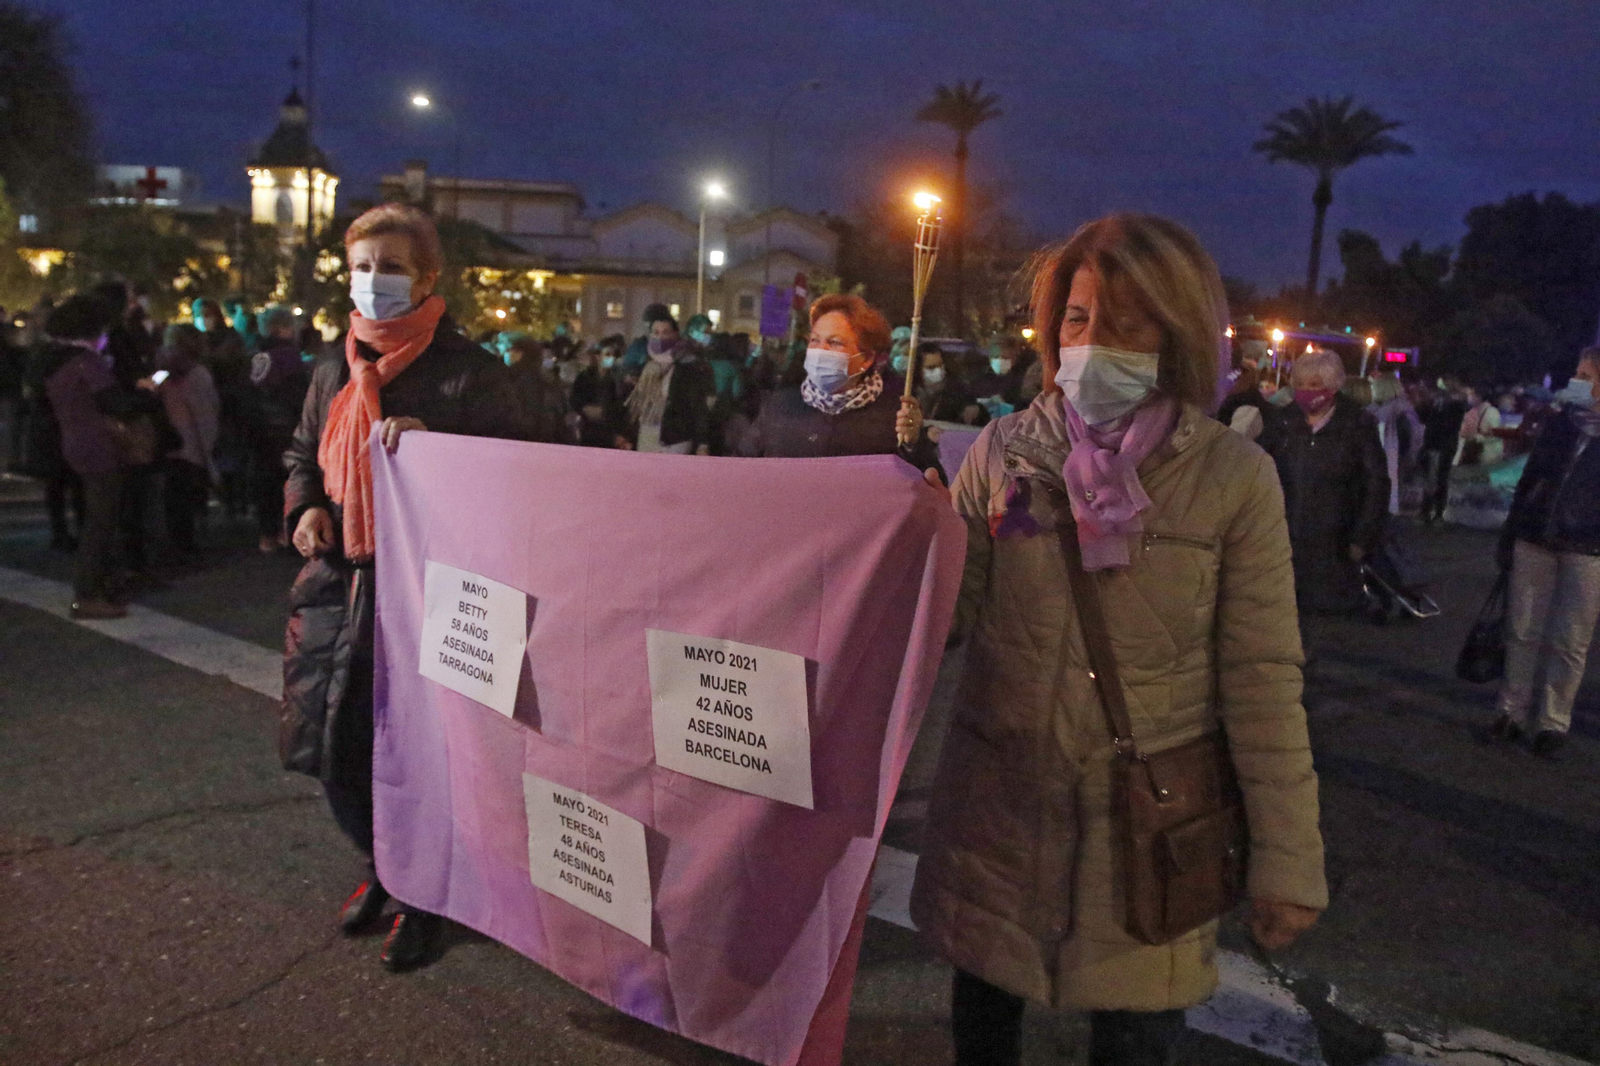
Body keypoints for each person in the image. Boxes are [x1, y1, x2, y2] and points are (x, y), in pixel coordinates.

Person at [910, 214, 1325, 1066]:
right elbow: (939, 622)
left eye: (1130, 321)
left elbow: (1262, 677)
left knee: (1135, 1042)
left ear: (1176, 332)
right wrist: (908, 536)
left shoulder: (1233, 478)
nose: (1095, 341)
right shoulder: (1004, 450)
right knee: (982, 1028)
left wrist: (1289, 861)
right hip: (999, 811)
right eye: (1078, 317)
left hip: (1146, 835)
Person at [280, 203, 535, 974]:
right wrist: (308, 506)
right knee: (336, 750)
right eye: (361, 265)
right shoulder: (334, 366)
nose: (373, 280)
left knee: (432, 756)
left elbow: (524, 475)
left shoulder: (474, 374)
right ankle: (384, 865)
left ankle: (429, 896)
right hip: (342, 588)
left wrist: (442, 451)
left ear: (427, 278)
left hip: (434, 596)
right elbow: (301, 452)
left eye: (390, 267)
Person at [1486, 350, 1600, 761]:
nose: (1576, 380)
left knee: (1570, 642)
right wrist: (1511, 531)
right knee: (1522, 630)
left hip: (1588, 547)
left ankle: (1553, 723)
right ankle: (1510, 713)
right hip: (1535, 537)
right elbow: (1530, 477)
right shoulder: (1560, 425)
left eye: (1585, 375)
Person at [739, 294, 939, 469]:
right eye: (815, 341)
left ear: (867, 358)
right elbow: (742, 467)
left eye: (835, 342)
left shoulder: (894, 415)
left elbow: (929, 486)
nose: (820, 351)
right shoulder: (780, 406)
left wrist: (914, 444)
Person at [1260, 349, 1388, 618]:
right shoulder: (1282, 421)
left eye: (1315, 385)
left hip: (1335, 540)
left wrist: (1362, 537)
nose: (1307, 391)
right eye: (1301, 385)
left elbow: (1375, 484)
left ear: (1333, 386)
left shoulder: (1357, 425)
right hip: (1286, 533)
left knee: (1321, 617)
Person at [42, 294, 139, 619]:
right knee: (101, 521)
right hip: (100, 446)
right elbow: (116, 404)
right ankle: (87, 594)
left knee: (95, 517)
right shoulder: (87, 362)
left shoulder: (55, 360)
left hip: (73, 442)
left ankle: (100, 585)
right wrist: (144, 392)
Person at [154, 325, 220, 557]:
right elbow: (205, 414)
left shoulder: (160, 371)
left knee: (173, 500)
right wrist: (209, 450)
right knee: (188, 500)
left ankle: (175, 544)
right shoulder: (197, 373)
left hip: (166, 441)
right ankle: (187, 547)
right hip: (190, 442)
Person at [251, 306, 311, 553]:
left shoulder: (256, 356)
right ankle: (288, 532)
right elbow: (299, 395)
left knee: (265, 482)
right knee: (290, 481)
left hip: (260, 428)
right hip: (287, 428)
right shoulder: (290, 357)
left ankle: (267, 534)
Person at [624, 313, 715, 454]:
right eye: (656, 332)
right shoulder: (643, 363)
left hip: (676, 440)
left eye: (665, 332)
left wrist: (702, 442)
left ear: (675, 334)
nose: (660, 337)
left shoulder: (688, 365)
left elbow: (698, 405)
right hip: (646, 437)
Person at [1368, 373, 1423, 515]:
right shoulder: (1378, 410)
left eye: (1374, 387)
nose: (1371, 390)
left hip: (1395, 461)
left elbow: (1410, 439)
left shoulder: (1400, 412)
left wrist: (1404, 458)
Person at [1416, 381, 1467, 523]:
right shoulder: (1436, 406)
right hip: (1434, 445)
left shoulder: (1455, 407)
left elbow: (1448, 426)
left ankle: (1437, 512)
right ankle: (1427, 511)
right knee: (1430, 479)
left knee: (1440, 479)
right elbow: (1425, 418)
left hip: (1443, 446)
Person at [570, 337, 628, 448]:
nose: (611, 358)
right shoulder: (584, 377)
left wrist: (606, 411)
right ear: (598, 356)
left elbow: (621, 407)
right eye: (607, 354)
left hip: (610, 433)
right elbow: (575, 399)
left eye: (613, 355)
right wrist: (585, 408)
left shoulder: (617, 380)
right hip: (588, 430)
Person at [913, 343, 972, 424]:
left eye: (940, 365)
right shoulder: (909, 391)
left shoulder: (956, 390)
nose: (938, 371)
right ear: (918, 369)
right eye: (931, 367)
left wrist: (976, 410)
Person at [1456, 384, 1503, 466]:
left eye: (1471, 395)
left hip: (1489, 455)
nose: (1469, 397)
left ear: (1479, 396)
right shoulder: (1473, 411)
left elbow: (1495, 434)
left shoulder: (1492, 412)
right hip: (1477, 454)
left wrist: (1475, 437)